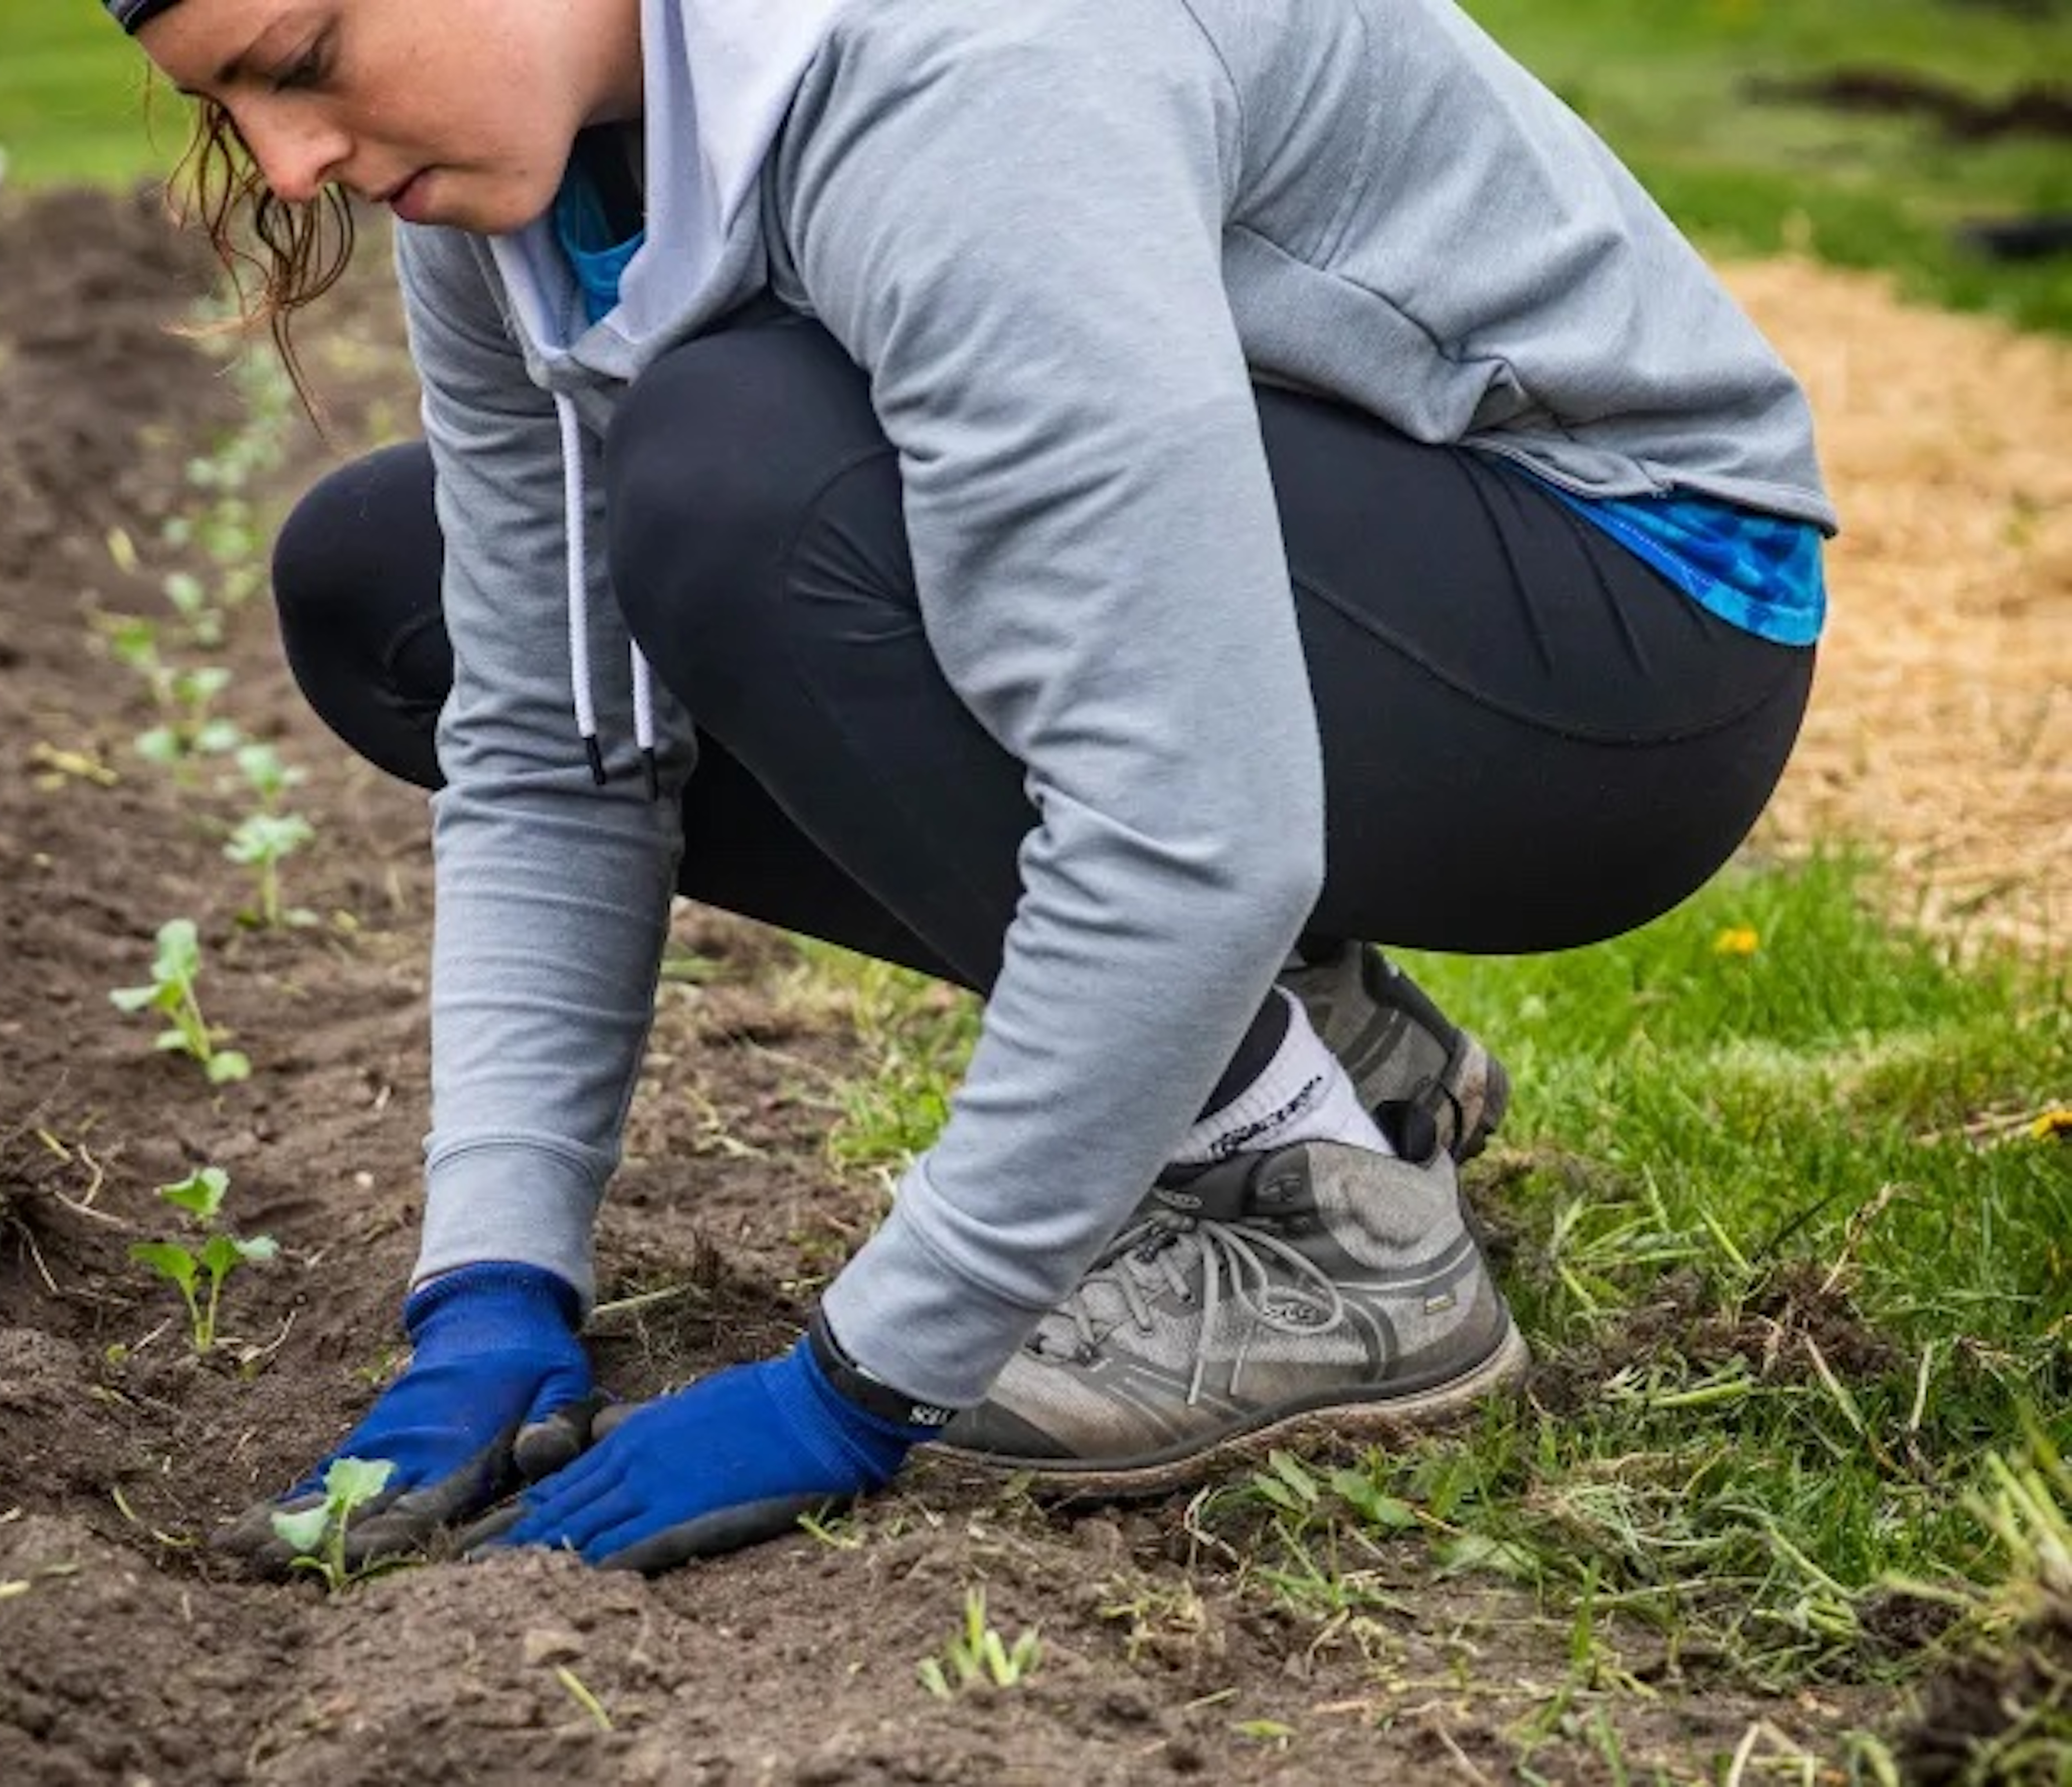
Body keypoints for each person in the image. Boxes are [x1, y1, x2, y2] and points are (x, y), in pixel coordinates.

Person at [108, 0, 1832, 1576]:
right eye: (231, 105)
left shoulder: (969, 64)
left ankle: (1332, 1237)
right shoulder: (518, 182)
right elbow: (558, 733)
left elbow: (1193, 835)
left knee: (738, 485)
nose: (290, 161)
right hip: (1311, 595)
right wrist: (489, 1282)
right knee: (387, 593)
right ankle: (1330, 1052)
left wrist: (866, 1379)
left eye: (310, 50)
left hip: (1624, 624)